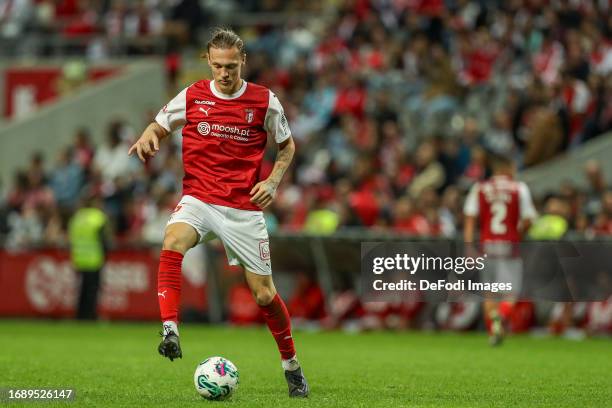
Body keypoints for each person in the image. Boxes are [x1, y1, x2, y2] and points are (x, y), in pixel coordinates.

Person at [128, 28, 308, 397]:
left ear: (243, 61)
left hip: (243, 208)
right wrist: (149, 134)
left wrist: (272, 182)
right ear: (207, 62)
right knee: (173, 239)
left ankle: (291, 365)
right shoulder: (193, 94)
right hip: (199, 198)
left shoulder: (264, 100)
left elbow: (287, 146)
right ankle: (170, 330)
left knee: (263, 295)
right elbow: (159, 125)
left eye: (231, 66)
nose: (224, 73)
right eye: (218, 66)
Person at [463, 154, 537, 346]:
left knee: (489, 293)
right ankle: (500, 317)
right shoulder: (519, 188)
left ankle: (493, 332)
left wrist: (469, 247)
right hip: (510, 244)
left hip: (487, 244)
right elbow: (529, 219)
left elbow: (470, 218)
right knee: (510, 293)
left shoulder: (479, 188)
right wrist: (519, 233)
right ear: (507, 168)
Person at [68, 194, 109, 320]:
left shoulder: (77, 217)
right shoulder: (97, 217)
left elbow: (72, 237)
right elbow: (103, 239)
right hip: (93, 258)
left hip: (79, 258)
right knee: (92, 290)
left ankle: (80, 315)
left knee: (82, 289)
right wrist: (106, 253)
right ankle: (91, 315)